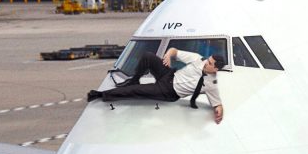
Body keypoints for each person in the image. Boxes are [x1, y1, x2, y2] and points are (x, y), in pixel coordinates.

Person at [88, 48, 225, 123]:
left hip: (168, 91)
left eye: (210, 64)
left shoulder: (211, 85)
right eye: (208, 60)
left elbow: (217, 104)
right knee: (148, 56)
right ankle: (135, 79)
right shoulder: (197, 59)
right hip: (169, 75)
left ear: (216, 70)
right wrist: (168, 56)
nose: (206, 63)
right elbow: (174, 51)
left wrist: (218, 111)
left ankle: (101, 94)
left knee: (136, 91)